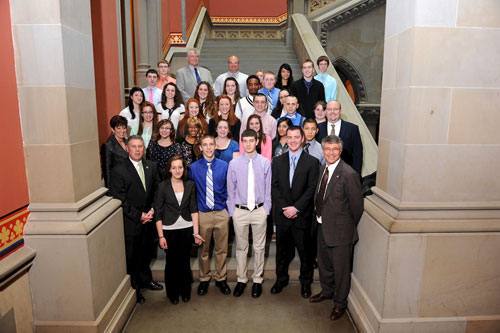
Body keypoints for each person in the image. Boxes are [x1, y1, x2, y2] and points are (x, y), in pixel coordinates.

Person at [309, 135, 363, 321]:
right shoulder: (323, 168)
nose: (331, 153)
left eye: (335, 149)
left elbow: (357, 207)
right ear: (323, 151)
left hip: (341, 232)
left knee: (341, 270)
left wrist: (344, 226)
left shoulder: (349, 174)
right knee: (324, 264)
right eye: (327, 149)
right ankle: (327, 291)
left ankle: (340, 304)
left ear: (340, 151)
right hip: (321, 226)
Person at [108, 135, 162, 304]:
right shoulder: (118, 170)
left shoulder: (151, 166)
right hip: (131, 222)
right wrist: (139, 215)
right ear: (127, 148)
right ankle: (135, 289)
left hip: (149, 219)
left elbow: (157, 190)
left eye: (140, 146)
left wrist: (152, 210)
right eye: (134, 146)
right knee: (133, 257)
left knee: (146, 253)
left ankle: (146, 280)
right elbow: (119, 199)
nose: (137, 149)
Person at [270, 126, 319, 298]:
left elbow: (312, 189)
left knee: (306, 253)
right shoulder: (277, 161)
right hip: (283, 216)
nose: (292, 140)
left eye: (296, 137)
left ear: (302, 139)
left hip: (302, 216)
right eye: (289, 137)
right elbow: (274, 187)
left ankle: (305, 283)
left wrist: (296, 208)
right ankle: (280, 279)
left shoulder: (312, 162)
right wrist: (286, 208)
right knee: (282, 252)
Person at [227, 129, 272, 298]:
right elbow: (230, 189)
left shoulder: (265, 163)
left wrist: (266, 209)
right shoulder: (235, 164)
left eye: (251, 141)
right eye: (245, 141)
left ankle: (257, 280)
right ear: (242, 142)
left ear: (257, 141)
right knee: (241, 247)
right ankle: (241, 279)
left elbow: (268, 190)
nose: (248, 144)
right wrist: (233, 211)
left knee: (260, 247)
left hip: (259, 210)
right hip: (240, 211)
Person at [154, 156, 204, 304]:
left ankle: (185, 290)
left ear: (184, 169)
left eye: (180, 167)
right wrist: (161, 236)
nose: (177, 170)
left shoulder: (190, 185)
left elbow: (194, 209)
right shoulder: (162, 186)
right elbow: (158, 212)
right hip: (169, 229)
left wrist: (196, 232)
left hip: (186, 228)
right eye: (174, 167)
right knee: (171, 263)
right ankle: (172, 293)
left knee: (184, 261)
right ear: (169, 169)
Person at [189, 135, 231, 296]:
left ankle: (221, 278)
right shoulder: (193, 168)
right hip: (203, 214)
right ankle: (204, 278)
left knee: (221, 249)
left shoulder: (224, 166)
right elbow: (192, 191)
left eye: (211, 144)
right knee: (204, 250)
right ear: (200, 147)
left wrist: (228, 210)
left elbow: (229, 188)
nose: (208, 148)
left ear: (215, 146)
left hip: (221, 212)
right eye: (204, 145)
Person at [317, 100, 363, 175]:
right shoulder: (318, 128)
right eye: (329, 109)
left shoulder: (352, 129)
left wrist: (356, 176)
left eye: (335, 109)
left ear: (340, 111)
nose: (332, 112)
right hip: (321, 173)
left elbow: (358, 155)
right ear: (325, 111)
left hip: (345, 175)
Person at [101, 115, 129, 188]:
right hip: (117, 184)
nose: (122, 131)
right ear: (113, 129)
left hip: (130, 182)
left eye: (124, 128)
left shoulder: (128, 142)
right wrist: (109, 191)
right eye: (118, 128)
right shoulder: (108, 146)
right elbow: (107, 171)